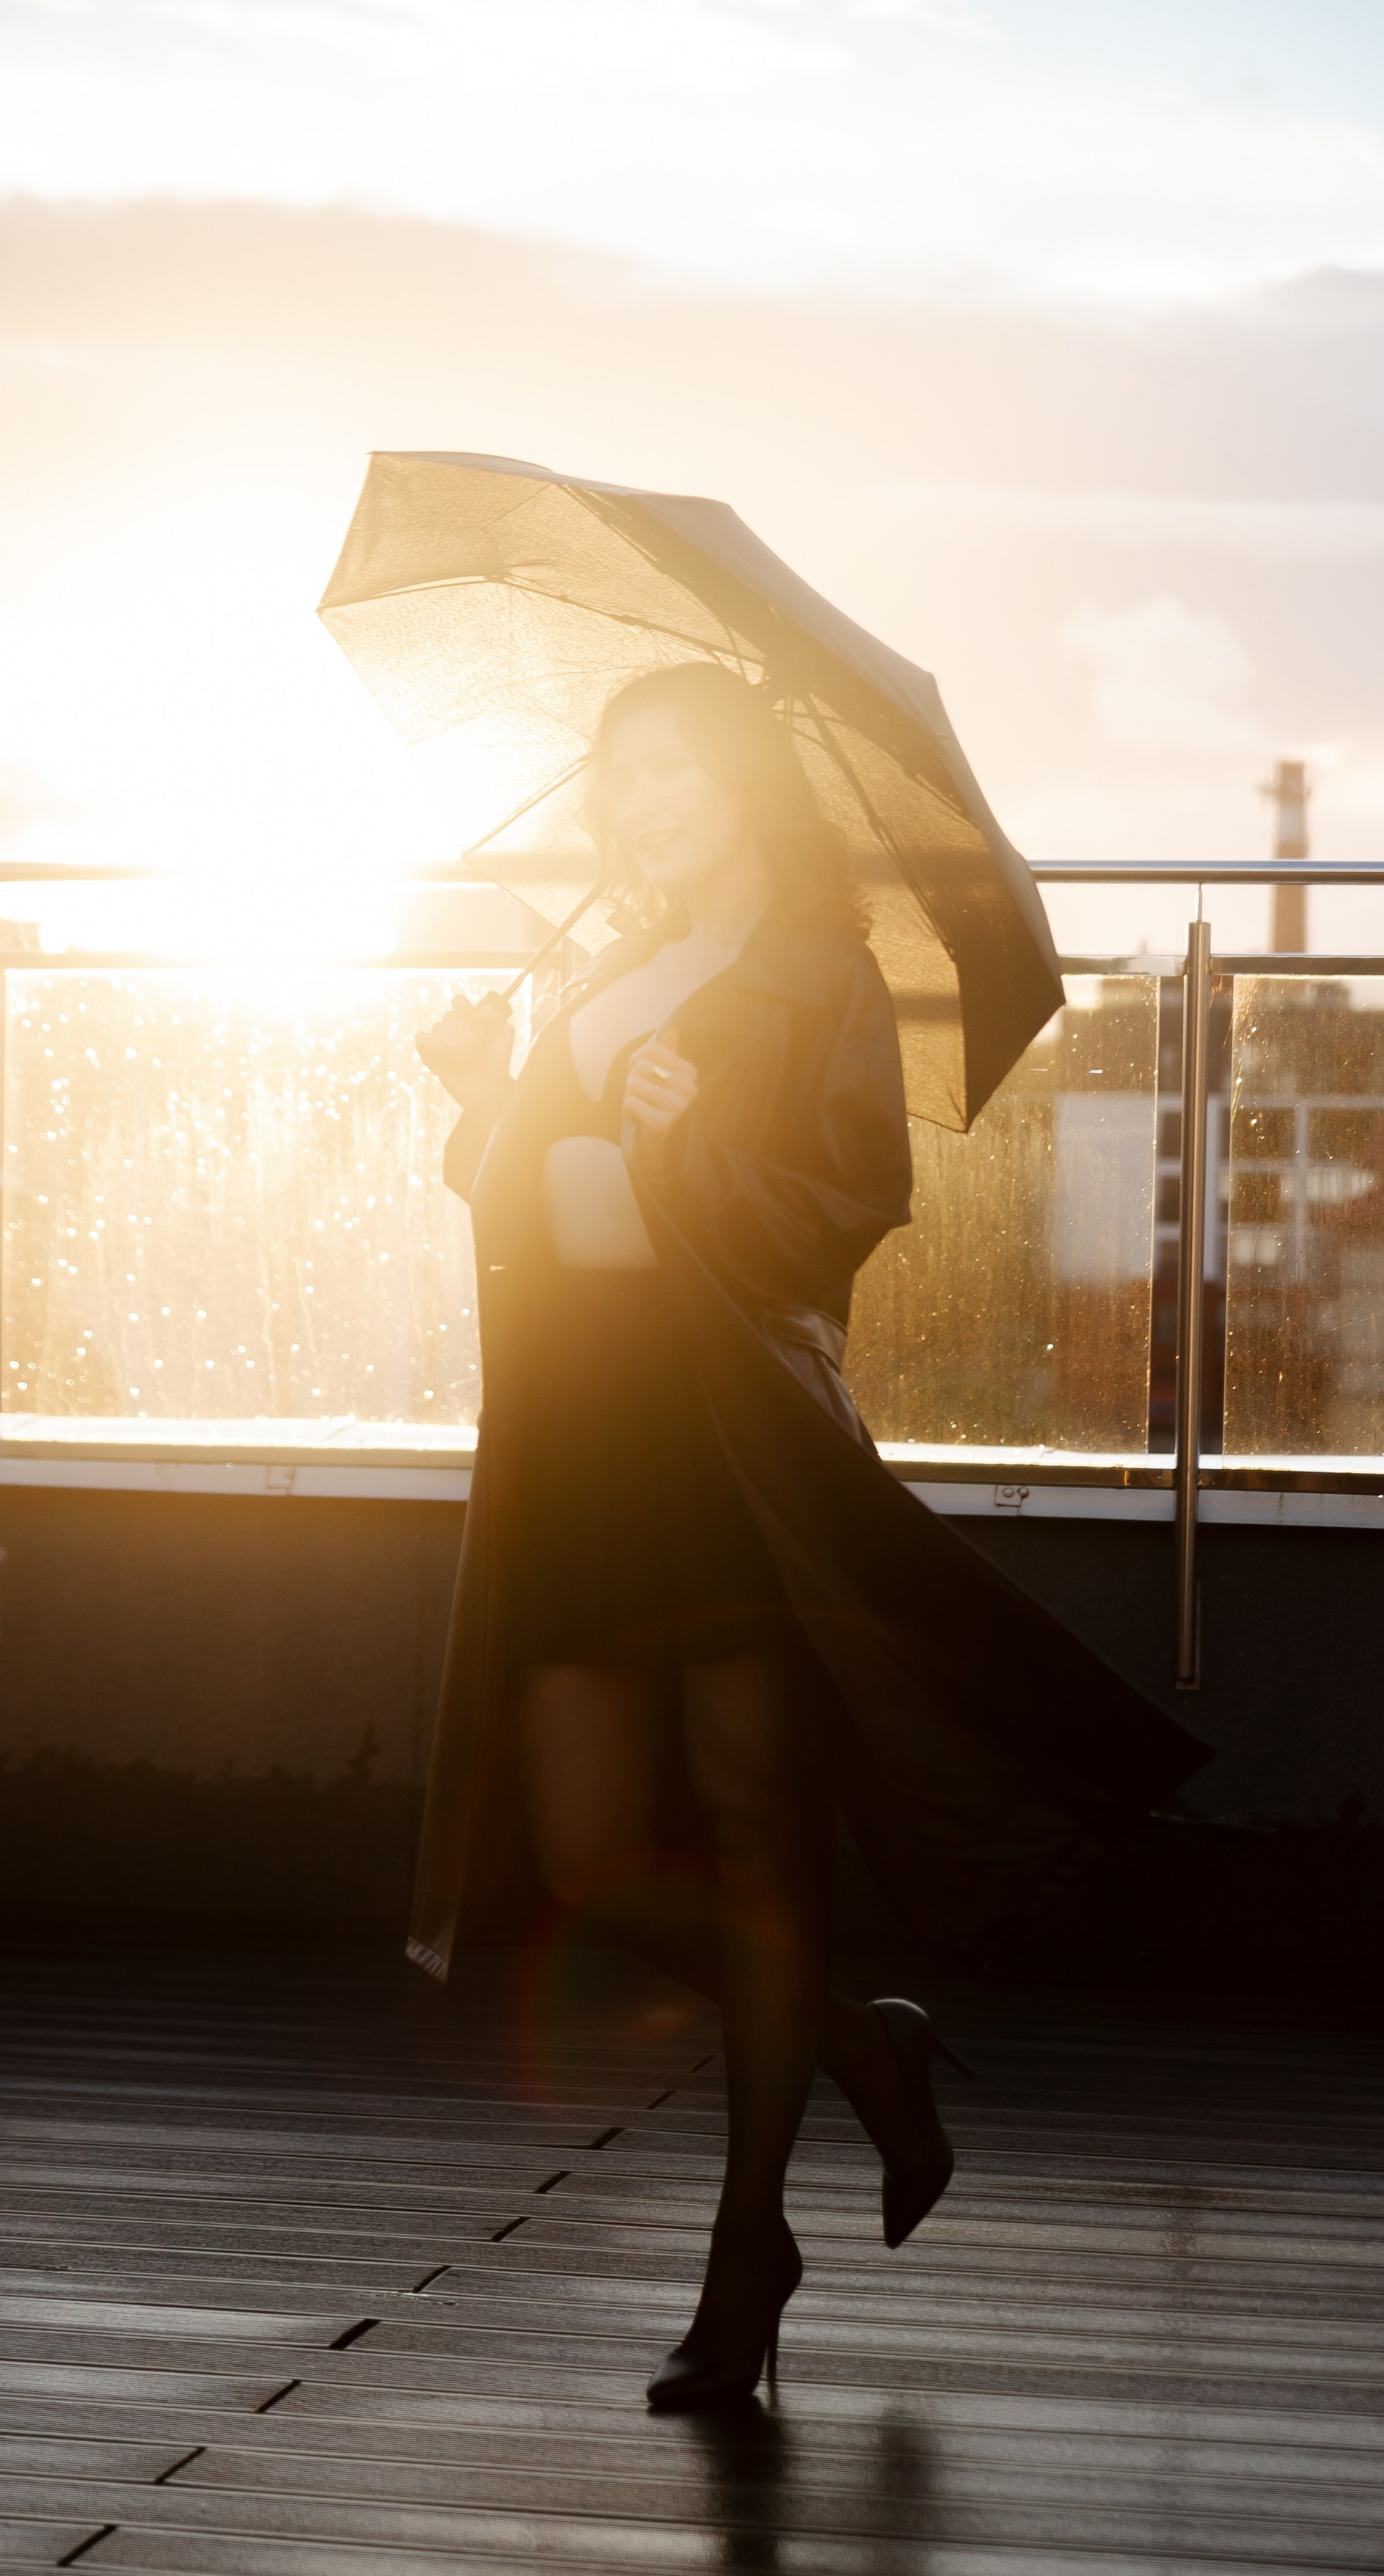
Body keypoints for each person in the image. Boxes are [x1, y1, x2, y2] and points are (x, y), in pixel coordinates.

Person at [414, 662, 1204, 2412]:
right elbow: (547, 1206)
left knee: (764, 1847)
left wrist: (696, 1146)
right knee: (576, 1854)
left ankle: (745, 2244)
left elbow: (845, 1213)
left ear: (752, 791)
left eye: (679, 772)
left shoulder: (815, 979)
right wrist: (482, 1096)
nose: (643, 805)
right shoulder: (609, 978)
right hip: (586, 1448)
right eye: (620, 777)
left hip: (729, 1444)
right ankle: (865, 2044)